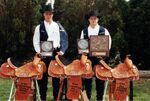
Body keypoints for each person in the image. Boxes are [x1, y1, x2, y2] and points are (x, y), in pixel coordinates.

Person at [33, 3, 68, 101]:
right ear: (43, 14)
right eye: (47, 13)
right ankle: (42, 98)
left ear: (52, 14)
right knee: (42, 79)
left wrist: (59, 50)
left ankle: (56, 98)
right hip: (43, 55)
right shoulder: (38, 27)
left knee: (56, 78)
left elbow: (60, 39)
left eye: (50, 13)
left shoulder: (57, 26)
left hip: (54, 55)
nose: (48, 15)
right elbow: (36, 42)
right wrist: (39, 52)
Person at [80, 10, 112, 101]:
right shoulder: (84, 31)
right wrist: (86, 51)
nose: (93, 20)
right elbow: (82, 44)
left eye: (95, 18)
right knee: (87, 79)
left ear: (98, 19)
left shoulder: (104, 30)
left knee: (100, 80)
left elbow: (109, 43)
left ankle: (100, 99)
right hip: (88, 58)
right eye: (91, 18)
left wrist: (103, 52)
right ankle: (87, 99)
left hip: (100, 58)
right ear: (89, 20)